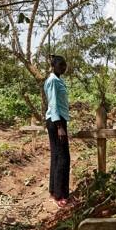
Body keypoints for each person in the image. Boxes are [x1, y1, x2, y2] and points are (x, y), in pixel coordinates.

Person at [44, 55, 71, 208]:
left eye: (65, 64)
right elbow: (53, 104)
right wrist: (60, 127)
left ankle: (54, 192)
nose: (64, 67)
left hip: (57, 120)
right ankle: (61, 196)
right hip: (57, 122)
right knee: (63, 158)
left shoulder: (56, 80)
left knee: (56, 156)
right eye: (61, 64)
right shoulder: (53, 80)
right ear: (53, 65)